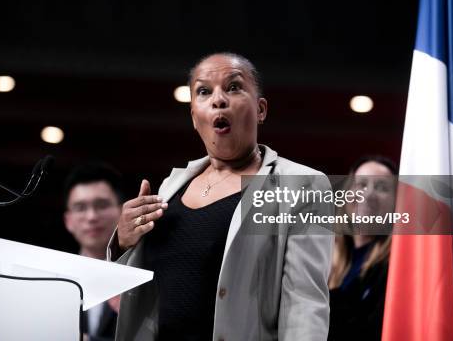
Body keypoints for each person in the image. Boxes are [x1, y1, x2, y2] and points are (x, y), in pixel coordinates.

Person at [107, 53, 333, 340]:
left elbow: (305, 304)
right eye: (204, 91)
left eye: (234, 87)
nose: (218, 99)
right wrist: (123, 242)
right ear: (193, 116)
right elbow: (135, 295)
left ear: (260, 109)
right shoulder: (169, 186)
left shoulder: (301, 184)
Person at [327, 156, 398, 341]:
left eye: (382, 187)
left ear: (396, 203)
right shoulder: (325, 257)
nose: (368, 195)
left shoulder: (395, 269)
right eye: (361, 185)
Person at [63, 163, 122, 341]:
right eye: (80, 208)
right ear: (68, 221)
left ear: (121, 211)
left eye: (102, 205)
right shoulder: (53, 277)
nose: (91, 217)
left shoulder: (145, 273)